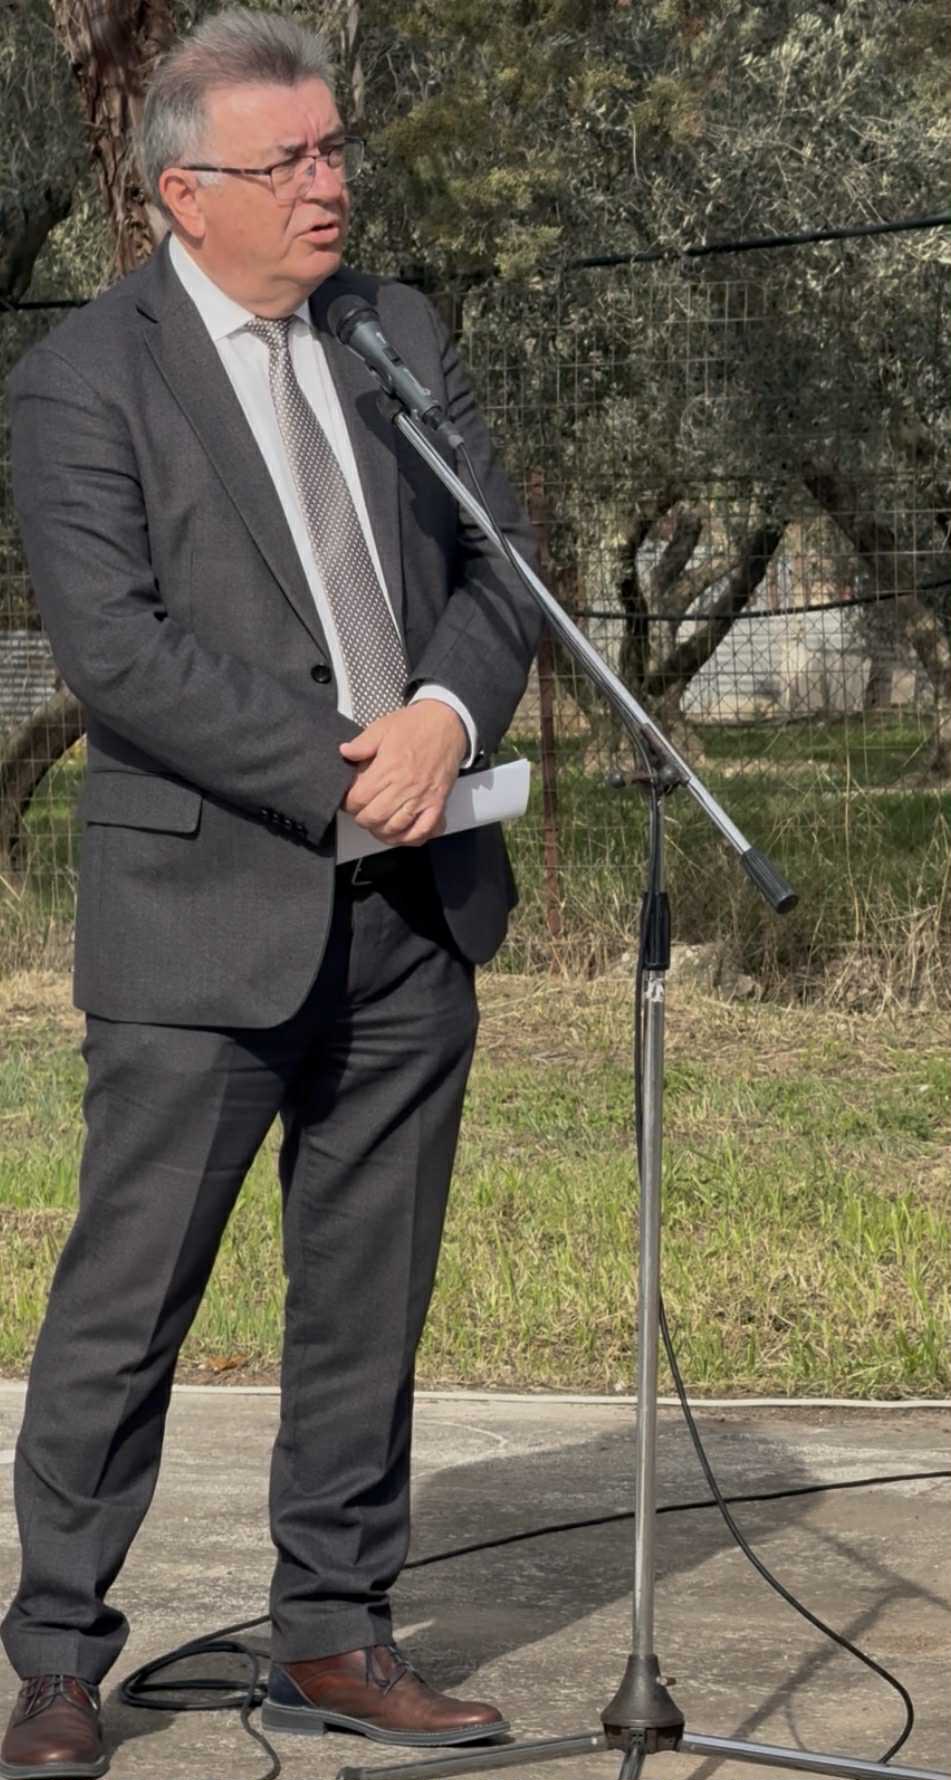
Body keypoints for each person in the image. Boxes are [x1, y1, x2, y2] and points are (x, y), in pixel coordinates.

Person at [0, 10, 541, 1775]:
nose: (330, 185)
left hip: (414, 905)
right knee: (127, 1301)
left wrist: (447, 716)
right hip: (203, 916)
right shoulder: (87, 378)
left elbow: (494, 557)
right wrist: (347, 756)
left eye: (332, 150)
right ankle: (62, 1657)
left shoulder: (397, 330)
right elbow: (119, 655)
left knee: (367, 1289)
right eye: (288, 161)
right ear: (182, 194)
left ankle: (335, 1626)